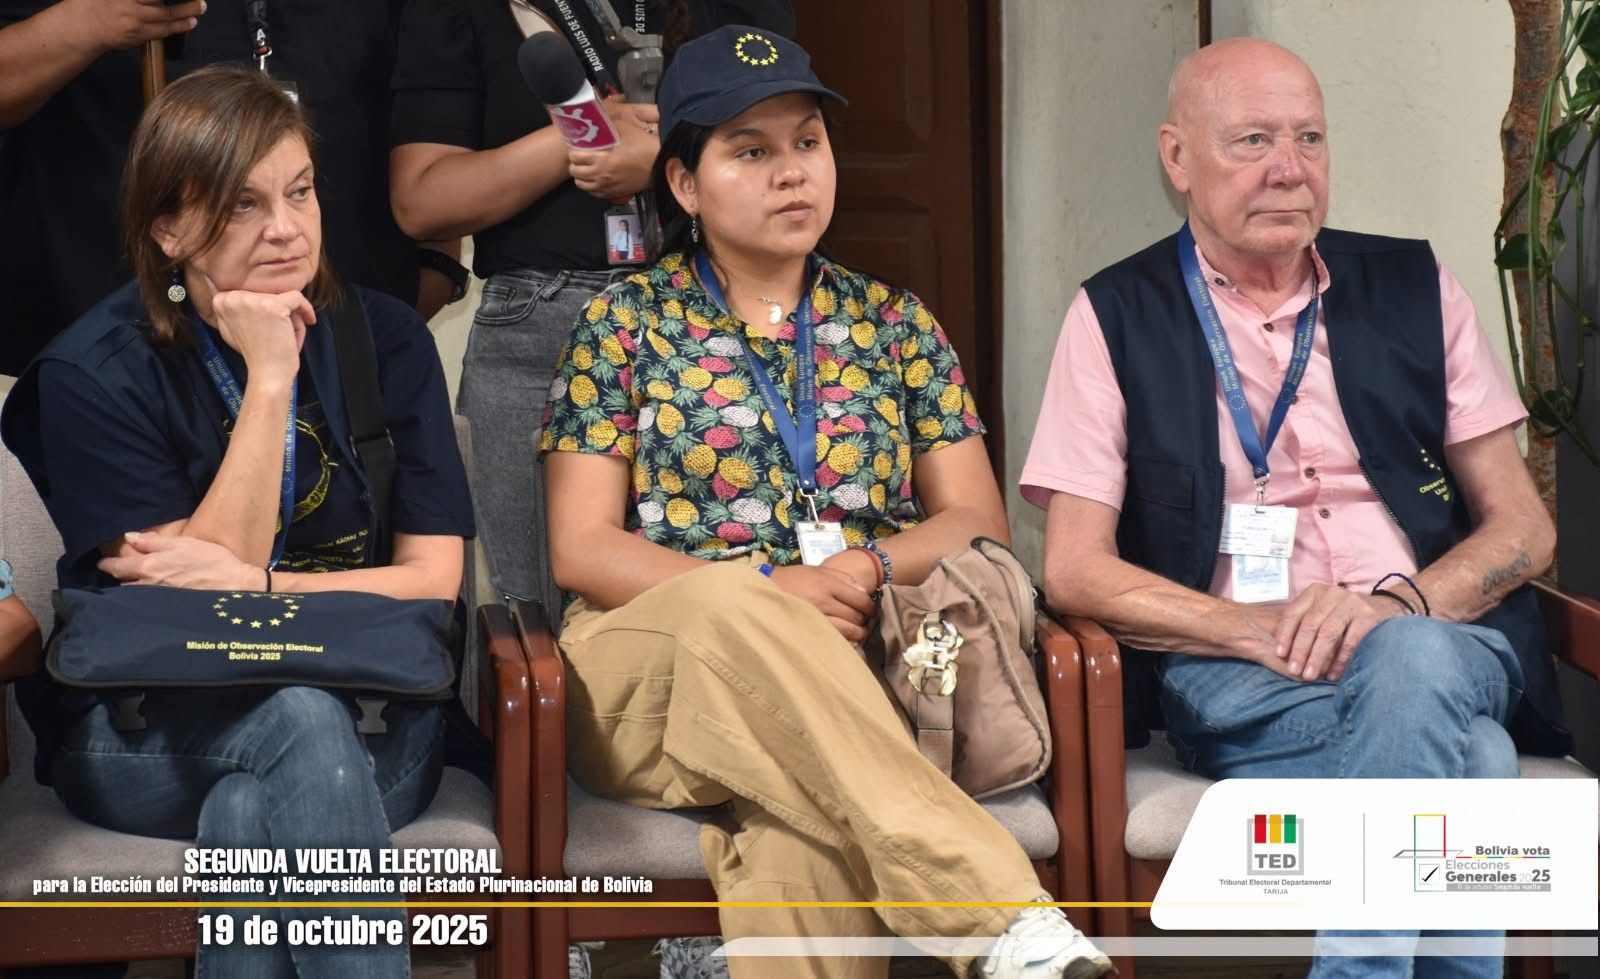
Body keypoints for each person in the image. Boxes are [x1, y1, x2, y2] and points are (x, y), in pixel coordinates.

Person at [540, 26, 1114, 979]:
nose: (791, 172)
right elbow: (581, 546)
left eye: (807, 142)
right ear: (684, 184)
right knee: (728, 604)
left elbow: (976, 521)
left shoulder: (895, 323)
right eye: (750, 152)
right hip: (649, 671)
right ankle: (1000, 914)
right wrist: (769, 590)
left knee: (803, 834)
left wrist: (863, 565)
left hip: (849, 677)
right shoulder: (622, 324)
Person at [1021, 37, 1571, 979]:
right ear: (1177, 158)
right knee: (1476, 757)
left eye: (1309, 137)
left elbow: (1525, 526)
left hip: (1441, 635)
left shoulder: (1413, 286)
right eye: (1253, 140)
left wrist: (1396, 607)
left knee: (1411, 658)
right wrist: (1251, 627)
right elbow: (1073, 567)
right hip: (1245, 673)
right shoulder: (1115, 314)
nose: (1289, 167)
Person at [0, 66, 475, 977]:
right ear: (168, 229)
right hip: (141, 725)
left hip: (376, 714)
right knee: (298, 720)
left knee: (250, 811)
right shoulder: (92, 373)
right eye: (241, 205)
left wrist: (260, 585)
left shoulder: (386, 339)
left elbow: (433, 582)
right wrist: (269, 378)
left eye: (299, 191)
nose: (286, 228)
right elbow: (192, 616)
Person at [389, 0, 794, 617]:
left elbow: (786, 147)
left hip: (711, 308)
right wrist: (578, 135)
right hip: (537, 322)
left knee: (727, 590)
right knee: (529, 620)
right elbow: (423, 202)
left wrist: (661, 163)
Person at [0, 0, 464, 378]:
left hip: (345, 330)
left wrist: (436, 270)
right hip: (125, 333)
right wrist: (86, 21)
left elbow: (434, 107)